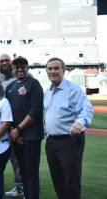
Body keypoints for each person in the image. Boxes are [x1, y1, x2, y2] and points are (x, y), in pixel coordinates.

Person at [44, 57, 93, 199]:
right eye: (50, 69)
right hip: (52, 142)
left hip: (69, 141)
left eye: (56, 68)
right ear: (46, 71)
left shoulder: (73, 89)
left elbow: (87, 109)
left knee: (70, 180)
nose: (53, 71)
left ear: (63, 70)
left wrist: (80, 122)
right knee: (57, 179)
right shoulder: (47, 91)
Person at [5, 56, 44, 199]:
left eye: (23, 66)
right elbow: (7, 112)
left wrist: (19, 129)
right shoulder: (10, 87)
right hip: (16, 136)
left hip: (31, 136)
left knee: (31, 171)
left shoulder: (33, 84)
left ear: (27, 68)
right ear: (13, 69)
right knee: (23, 170)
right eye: (16, 67)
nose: (20, 69)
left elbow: (36, 110)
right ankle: (27, 195)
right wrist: (13, 131)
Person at [0, 53, 24, 197]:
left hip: (18, 127)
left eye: (7, 60)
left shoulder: (21, 78)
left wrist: (18, 128)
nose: (4, 63)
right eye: (1, 61)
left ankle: (23, 187)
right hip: (3, 127)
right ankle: (17, 187)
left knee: (20, 158)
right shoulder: (0, 81)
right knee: (11, 159)